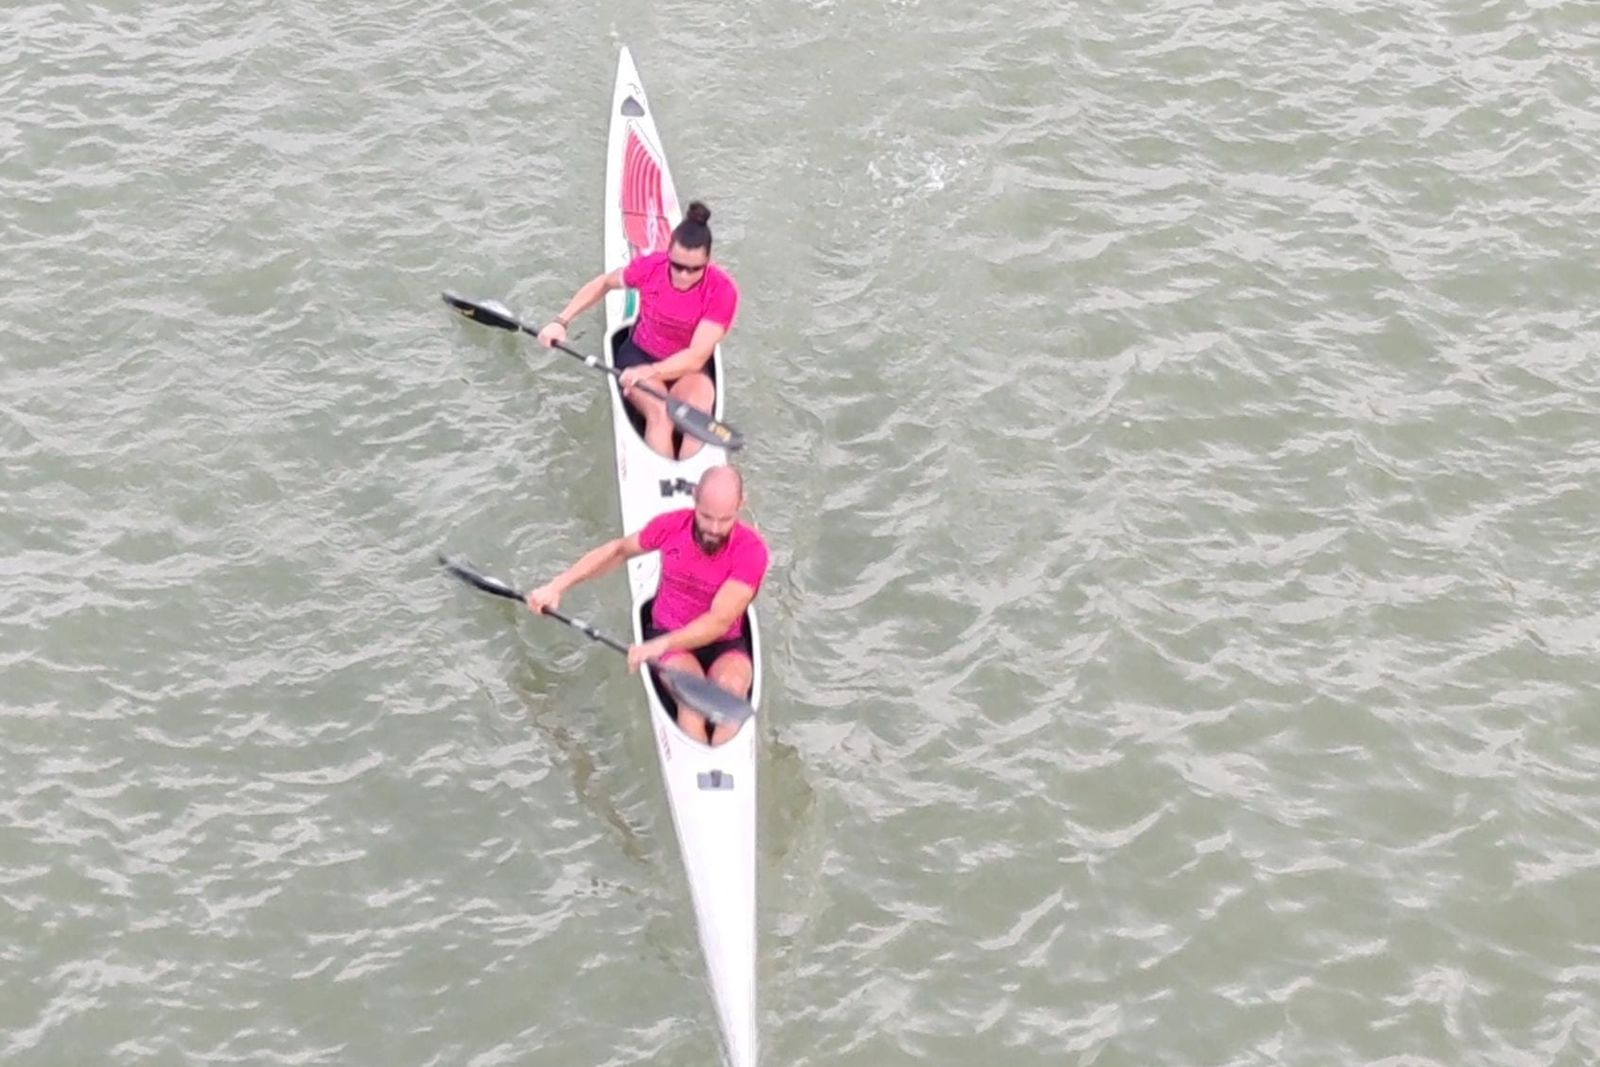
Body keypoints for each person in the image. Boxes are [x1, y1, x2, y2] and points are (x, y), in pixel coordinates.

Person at [524, 465, 767, 745]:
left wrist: (657, 647)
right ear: (695, 498)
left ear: (741, 504)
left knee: (732, 691)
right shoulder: (671, 526)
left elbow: (719, 621)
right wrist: (557, 586)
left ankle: (721, 759)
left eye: (724, 520)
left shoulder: (751, 551)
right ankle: (695, 755)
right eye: (706, 516)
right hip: (668, 632)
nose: (713, 529)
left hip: (723, 642)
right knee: (692, 703)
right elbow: (618, 551)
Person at [536, 201, 738, 459]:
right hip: (640, 355)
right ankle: (661, 471)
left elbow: (697, 357)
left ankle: (693, 477)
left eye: (694, 269)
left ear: (708, 261)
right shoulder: (650, 267)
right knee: (661, 414)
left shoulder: (722, 290)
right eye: (677, 266)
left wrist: (653, 371)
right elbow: (604, 283)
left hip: (687, 368)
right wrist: (561, 321)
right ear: (668, 253)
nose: (684, 276)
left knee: (697, 420)